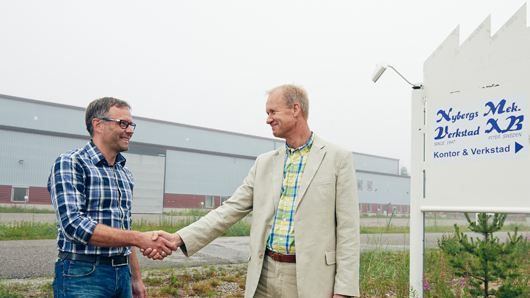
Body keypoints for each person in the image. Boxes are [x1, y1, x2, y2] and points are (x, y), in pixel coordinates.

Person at [147, 85, 360, 297]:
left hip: (311, 280)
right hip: (264, 276)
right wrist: (178, 238)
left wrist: (344, 290)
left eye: (272, 112)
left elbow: (348, 231)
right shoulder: (264, 163)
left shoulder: (337, 159)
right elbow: (229, 210)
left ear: (295, 109)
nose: (268, 119)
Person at [48, 97, 176, 298]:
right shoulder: (71, 163)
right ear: (98, 124)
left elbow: (124, 228)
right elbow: (73, 225)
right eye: (123, 123)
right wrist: (139, 238)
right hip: (82, 275)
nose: (130, 130)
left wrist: (135, 278)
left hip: (122, 275)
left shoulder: (124, 173)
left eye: (131, 124)